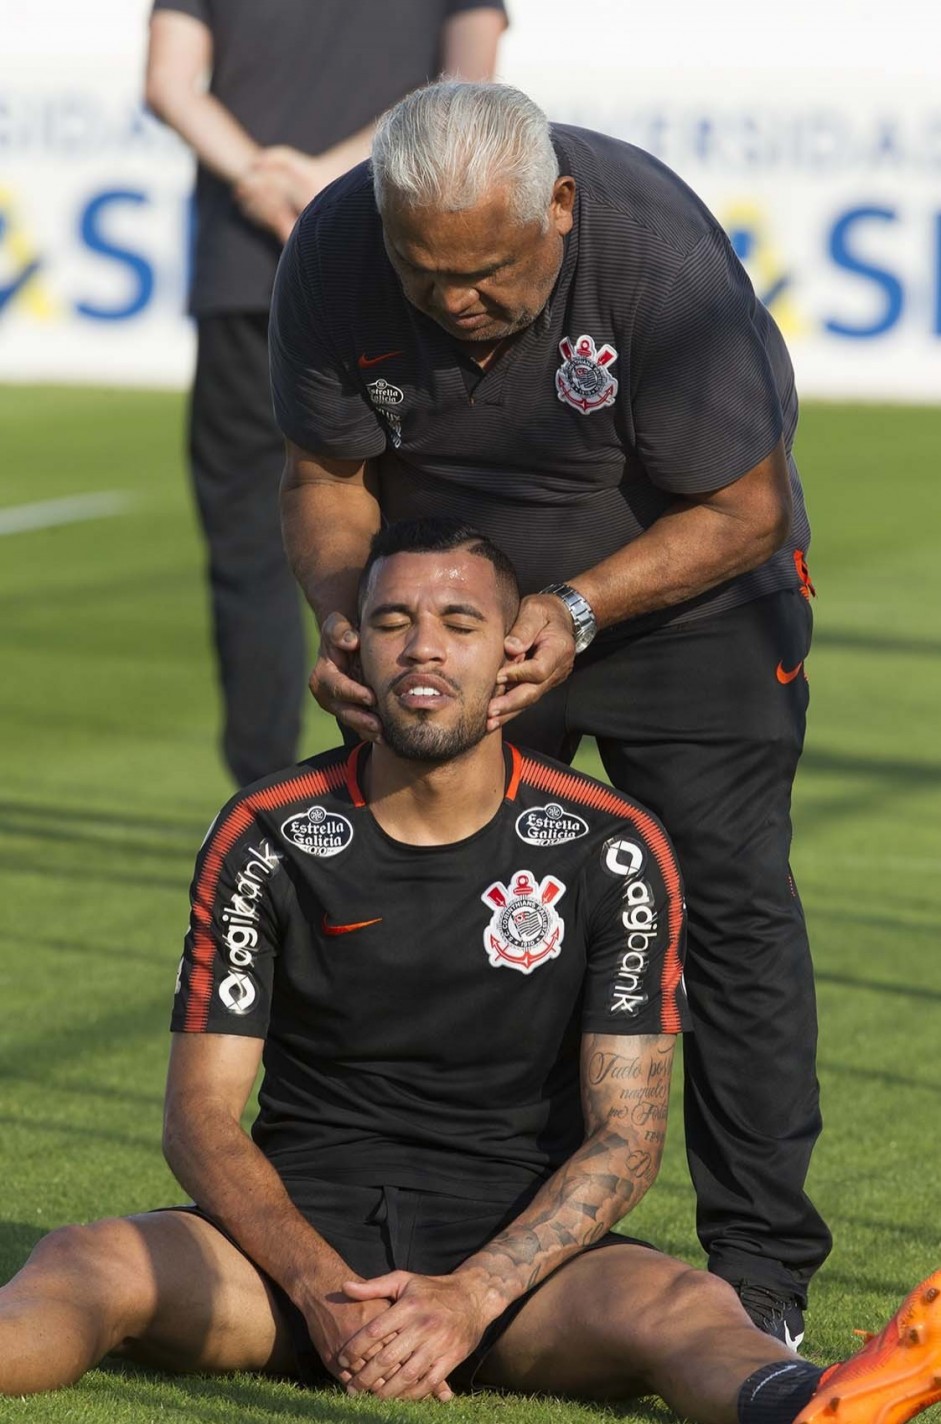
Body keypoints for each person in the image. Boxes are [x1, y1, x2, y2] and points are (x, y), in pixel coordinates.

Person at [1, 518, 939, 1420]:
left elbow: (625, 1139)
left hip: (519, 1277)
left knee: (687, 1308)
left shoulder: (611, 845)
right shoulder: (267, 833)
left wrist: (467, 1298)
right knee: (88, 1262)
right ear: (351, 651)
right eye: (391, 622)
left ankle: (816, 1405)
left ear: (512, 659)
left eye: (459, 624)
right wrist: (323, 1290)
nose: (422, 649)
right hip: (284, 1261)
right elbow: (201, 1118)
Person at [270, 79, 827, 1342]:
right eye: (426, 274)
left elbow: (744, 508)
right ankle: (462, 1240)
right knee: (448, 897)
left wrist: (572, 614)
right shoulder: (333, 247)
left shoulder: (657, 257)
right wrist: (348, 616)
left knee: (726, 910)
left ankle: (759, 1276)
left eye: (486, 273)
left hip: (684, 596)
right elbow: (326, 474)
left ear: (559, 209)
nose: (455, 300)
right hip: (462, 602)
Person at [143, 1, 507, 785]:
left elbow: (169, 85)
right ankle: (432, 791)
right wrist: (331, 176)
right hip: (396, 272)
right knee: (439, 540)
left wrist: (259, 176)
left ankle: (263, 802)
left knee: (252, 553)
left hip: (251, 264)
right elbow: (469, 84)